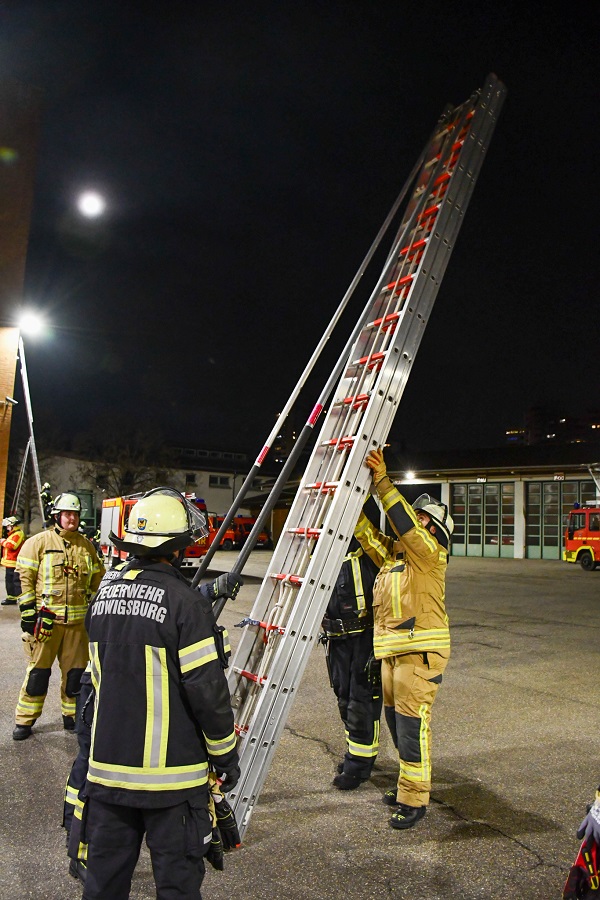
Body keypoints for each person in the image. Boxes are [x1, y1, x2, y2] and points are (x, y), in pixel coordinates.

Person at [80, 487, 242, 899]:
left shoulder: (103, 597)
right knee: (177, 887)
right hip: (172, 781)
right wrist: (225, 756)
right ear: (177, 548)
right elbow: (207, 691)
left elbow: (94, 683)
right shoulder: (186, 603)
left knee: (104, 885)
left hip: (107, 775)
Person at [354, 448, 453, 830]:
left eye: (422, 517)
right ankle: (407, 786)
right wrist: (357, 499)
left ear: (434, 529)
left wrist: (382, 482)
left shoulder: (431, 554)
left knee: (412, 729)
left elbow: (405, 526)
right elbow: (368, 537)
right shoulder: (396, 558)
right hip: (394, 653)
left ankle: (414, 801)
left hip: (419, 654)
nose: (416, 521)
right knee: (397, 726)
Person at [12, 492, 105, 740]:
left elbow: (98, 581)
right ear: (57, 516)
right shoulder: (38, 542)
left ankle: (71, 717)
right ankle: (25, 721)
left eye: (75, 514)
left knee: (75, 676)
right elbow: (23, 578)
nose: (71, 518)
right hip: (46, 623)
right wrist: (29, 613)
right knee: (38, 674)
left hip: (77, 626)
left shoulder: (87, 547)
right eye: (67, 514)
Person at [321, 499, 381, 791]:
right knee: (344, 699)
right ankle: (356, 755)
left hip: (362, 638)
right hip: (336, 639)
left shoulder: (366, 546)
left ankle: (359, 767)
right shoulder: (327, 547)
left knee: (361, 702)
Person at [0, 515, 26, 605]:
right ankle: (11, 597)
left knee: (14, 581)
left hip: (13, 562)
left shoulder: (18, 534)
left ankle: (15, 597)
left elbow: (12, 546)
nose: (7, 528)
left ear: (12, 525)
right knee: (10, 581)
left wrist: (3, 542)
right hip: (10, 562)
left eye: (8, 526)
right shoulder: (13, 534)